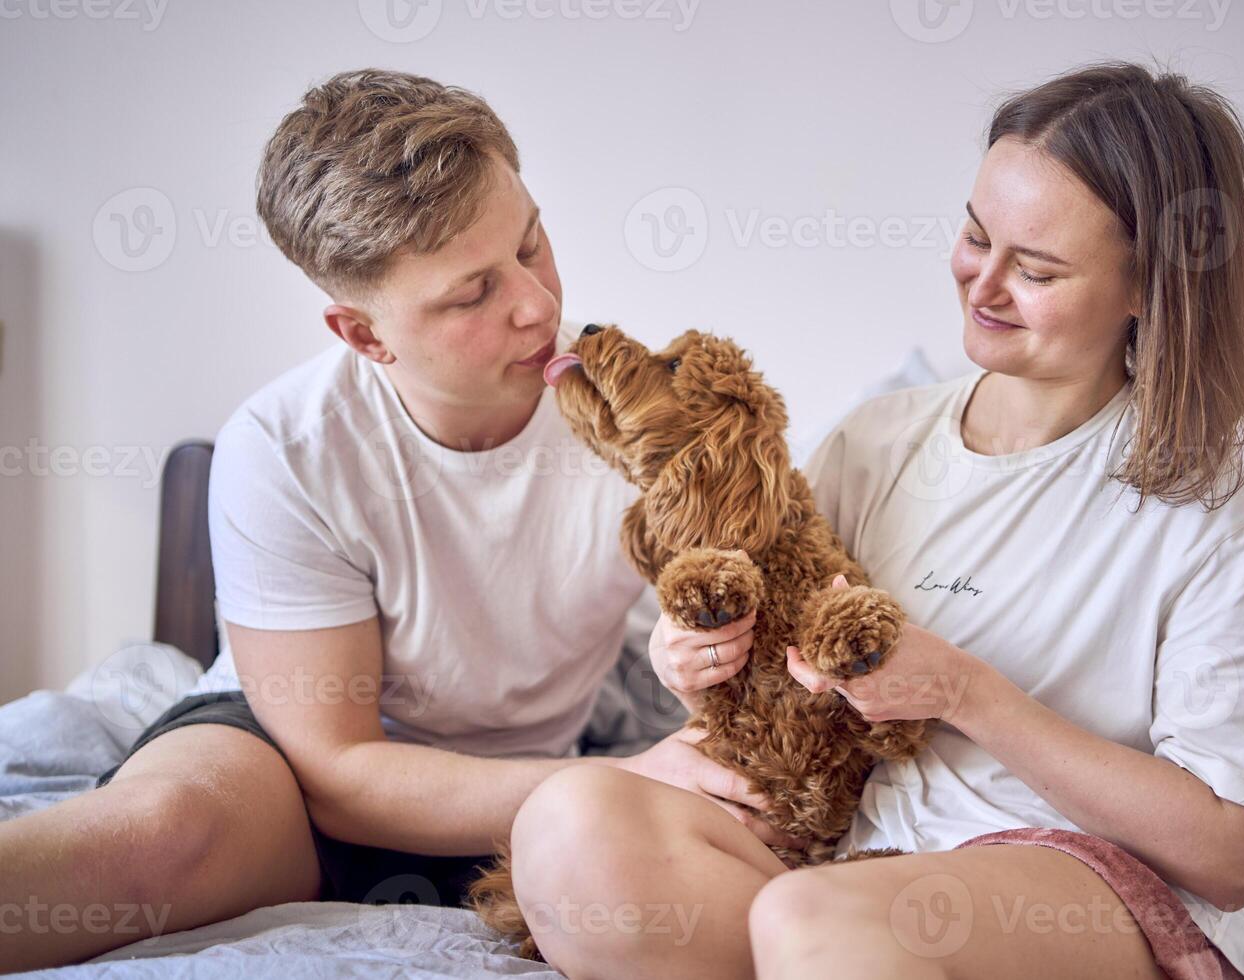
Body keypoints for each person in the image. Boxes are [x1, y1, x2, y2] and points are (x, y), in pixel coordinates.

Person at [509, 62, 1244, 980]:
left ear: (1147, 289)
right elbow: (788, 677)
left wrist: (968, 694)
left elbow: (1237, 855)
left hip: (1069, 881)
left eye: (1037, 269)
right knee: (567, 822)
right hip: (850, 863)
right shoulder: (877, 442)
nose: (985, 284)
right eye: (976, 236)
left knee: (820, 924)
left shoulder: (1200, 514)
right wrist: (697, 666)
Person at [0, 68, 787, 973]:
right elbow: (342, 774)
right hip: (302, 772)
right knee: (157, 838)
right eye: (473, 293)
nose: (537, 304)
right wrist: (623, 777)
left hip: (538, 783)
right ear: (366, 336)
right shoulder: (287, 446)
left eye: (532, 245)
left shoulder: (643, 422)